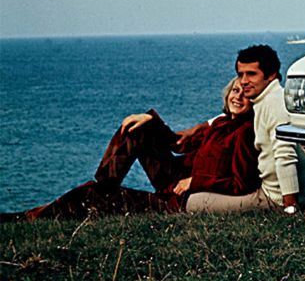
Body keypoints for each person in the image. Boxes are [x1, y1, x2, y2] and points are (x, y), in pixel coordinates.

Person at [15, 79, 259, 221]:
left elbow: (241, 183)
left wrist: (195, 182)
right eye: (235, 90)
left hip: (179, 198)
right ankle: (105, 182)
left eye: (245, 94)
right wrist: (150, 121)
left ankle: (32, 217)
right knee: (138, 129)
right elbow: (178, 143)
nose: (237, 97)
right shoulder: (219, 123)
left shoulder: (246, 132)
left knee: (91, 197)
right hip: (175, 179)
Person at [185, 44, 305, 214]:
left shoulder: (274, 104)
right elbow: (228, 115)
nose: (244, 81)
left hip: (274, 198)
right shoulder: (264, 99)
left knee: (192, 201)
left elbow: (285, 156)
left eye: (251, 74)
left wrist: (290, 207)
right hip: (273, 192)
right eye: (240, 74)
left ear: (271, 75)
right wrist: (200, 127)